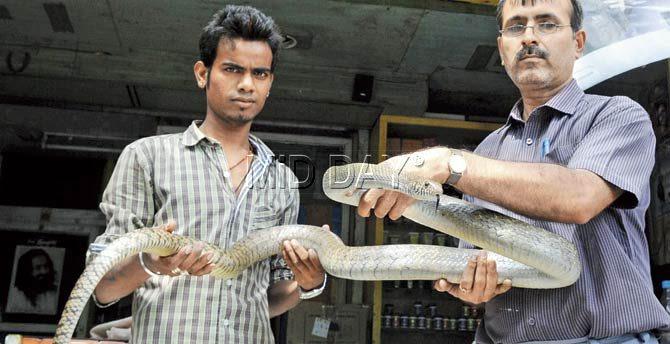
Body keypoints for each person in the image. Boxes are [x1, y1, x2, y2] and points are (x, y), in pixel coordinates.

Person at [358, 0, 670, 342]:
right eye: (516, 26)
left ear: (578, 43)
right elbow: (473, 266)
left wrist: (448, 162)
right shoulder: (488, 152)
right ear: (502, 49)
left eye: (548, 24)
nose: (529, 37)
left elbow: (580, 198)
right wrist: (471, 288)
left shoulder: (618, 117)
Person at [90, 5, 326, 343]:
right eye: (232, 69)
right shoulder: (147, 157)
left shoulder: (283, 181)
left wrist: (309, 282)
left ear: (270, 83)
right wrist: (150, 263)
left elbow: (269, 298)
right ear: (203, 74)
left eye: (259, 74)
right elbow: (101, 286)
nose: (247, 84)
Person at [7, 248, 59, 315]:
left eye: (46, 266)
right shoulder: (15, 295)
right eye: (38, 268)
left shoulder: (54, 292)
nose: (44, 271)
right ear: (27, 271)